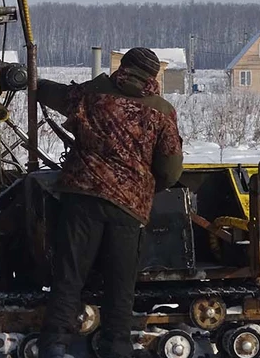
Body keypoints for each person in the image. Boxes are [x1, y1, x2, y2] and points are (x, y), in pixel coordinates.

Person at [38, 47, 184, 358]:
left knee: (69, 275)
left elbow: (54, 94)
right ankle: (116, 347)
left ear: (124, 66)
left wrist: (29, 81)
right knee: (120, 284)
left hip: (82, 199)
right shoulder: (162, 110)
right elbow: (171, 170)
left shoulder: (91, 95)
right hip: (128, 208)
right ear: (153, 76)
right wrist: (143, 187)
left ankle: (54, 344)